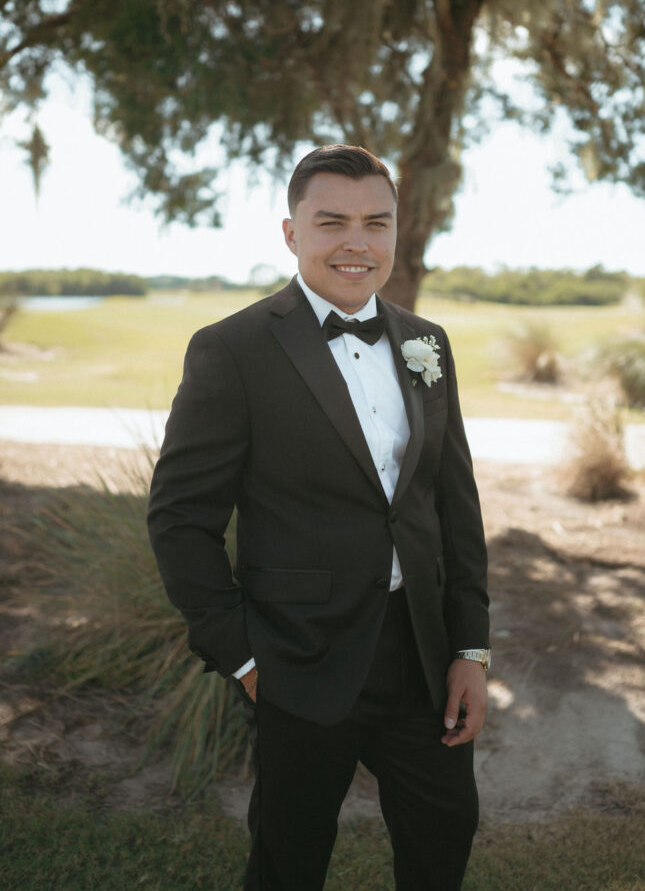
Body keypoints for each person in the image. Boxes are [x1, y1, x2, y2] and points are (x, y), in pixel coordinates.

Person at [147, 144, 490, 891]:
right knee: (288, 858)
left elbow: (452, 507)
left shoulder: (427, 343)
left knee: (444, 837)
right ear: (290, 233)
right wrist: (240, 655)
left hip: (422, 655)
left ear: (397, 231)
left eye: (375, 222)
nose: (356, 243)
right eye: (331, 222)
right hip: (297, 658)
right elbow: (179, 519)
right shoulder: (231, 349)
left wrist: (471, 647)